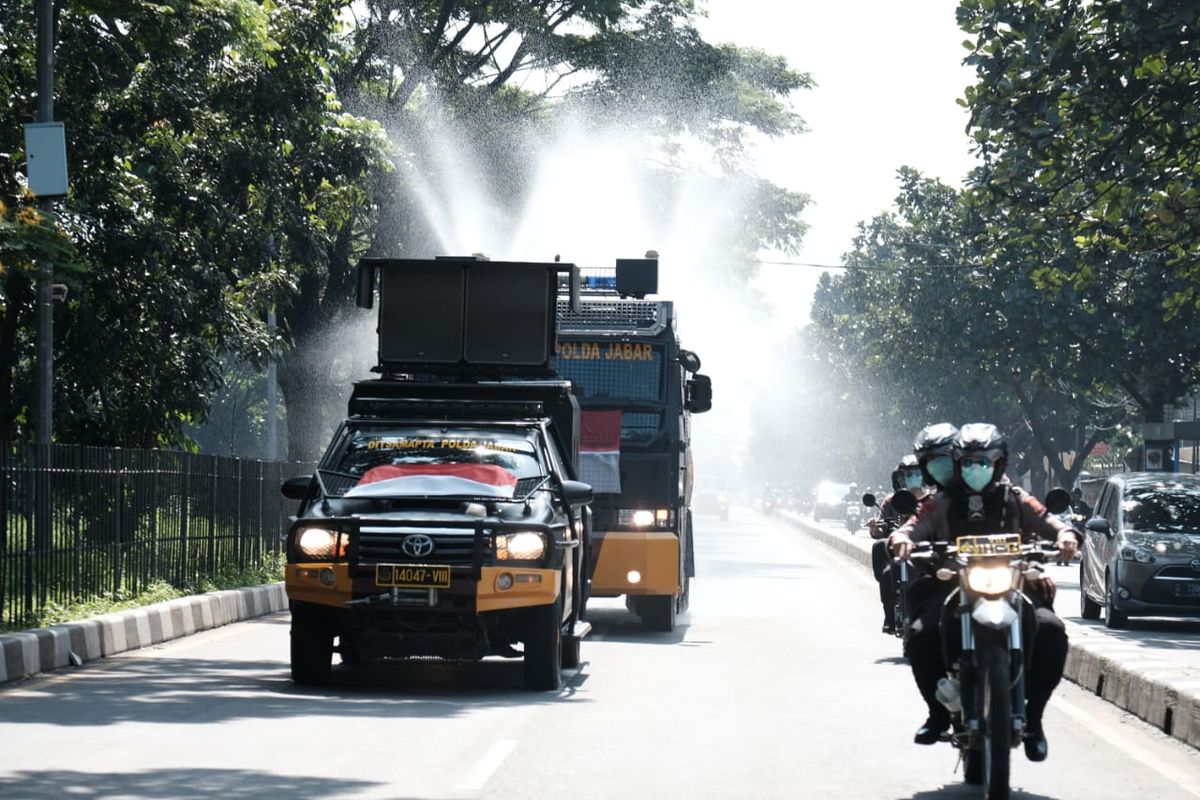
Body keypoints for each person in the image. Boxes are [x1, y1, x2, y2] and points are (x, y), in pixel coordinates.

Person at [888, 423, 1082, 762]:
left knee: (1051, 629)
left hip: (1013, 583)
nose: (974, 469)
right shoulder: (943, 501)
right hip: (954, 582)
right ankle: (937, 714)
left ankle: (1034, 719)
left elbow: (1047, 519)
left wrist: (1065, 535)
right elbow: (913, 526)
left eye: (983, 462)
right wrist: (902, 539)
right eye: (967, 463)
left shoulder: (1015, 497)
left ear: (998, 464)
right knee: (920, 635)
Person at [869, 454, 931, 633]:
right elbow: (879, 529)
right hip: (897, 552)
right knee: (881, 553)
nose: (913, 478)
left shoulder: (931, 501)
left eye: (917, 474)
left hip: (925, 551)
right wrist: (875, 528)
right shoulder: (891, 501)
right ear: (900, 478)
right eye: (908, 475)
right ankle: (889, 616)